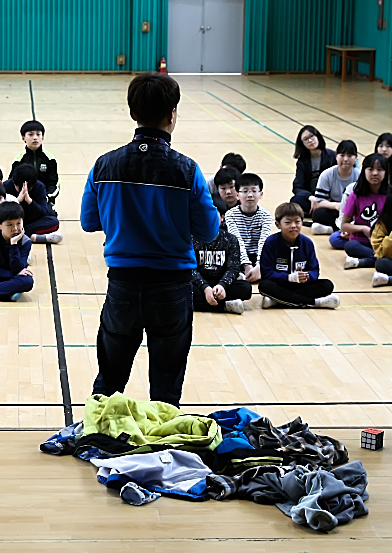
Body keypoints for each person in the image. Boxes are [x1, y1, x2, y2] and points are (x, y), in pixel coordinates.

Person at [80, 72, 219, 407]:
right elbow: (209, 231)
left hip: (123, 285)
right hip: (172, 287)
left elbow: (89, 222)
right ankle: (162, 454)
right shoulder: (186, 170)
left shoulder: (104, 166)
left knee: (109, 382)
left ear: (132, 113)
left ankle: (100, 443)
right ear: (172, 114)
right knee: (166, 389)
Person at [258, 202, 339, 309]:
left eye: (297, 222)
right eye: (287, 222)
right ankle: (315, 303)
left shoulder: (307, 243)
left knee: (327, 285)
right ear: (278, 224)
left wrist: (306, 277)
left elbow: (314, 270)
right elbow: (266, 273)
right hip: (280, 284)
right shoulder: (271, 242)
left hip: (301, 286)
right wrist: (289, 278)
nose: (293, 226)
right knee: (264, 286)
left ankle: (279, 301)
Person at [341, 154, 390, 270]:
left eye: (380, 169)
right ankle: (380, 258)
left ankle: (364, 261)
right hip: (362, 241)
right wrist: (363, 229)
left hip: (384, 241)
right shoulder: (356, 195)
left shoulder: (391, 194)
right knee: (350, 246)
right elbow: (344, 225)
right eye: (370, 169)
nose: (375, 173)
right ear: (364, 171)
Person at [192, 228, 252, 315]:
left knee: (246, 289)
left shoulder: (231, 239)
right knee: (182, 290)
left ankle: (202, 303)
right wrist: (205, 287)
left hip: (221, 283)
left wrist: (223, 285)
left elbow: (233, 268)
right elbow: (191, 269)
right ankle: (225, 306)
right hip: (199, 284)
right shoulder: (193, 238)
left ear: (222, 218)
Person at [224, 172, 270, 283]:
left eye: (254, 191)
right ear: (237, 195)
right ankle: (242, 273)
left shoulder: (265, 215)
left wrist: (259, 265)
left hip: (258, 256)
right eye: (245, 191)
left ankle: (255, 273)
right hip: (238, 255)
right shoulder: (230, 214)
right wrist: (246, 265)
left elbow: (264, 241)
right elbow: (237, 240)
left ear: (261, 194)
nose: (250, 195)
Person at [4, 163, 63, 243]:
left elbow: (44, 212)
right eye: (19, 187)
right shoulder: (6, 186)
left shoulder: (39, 187)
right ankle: (31, 237)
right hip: (12, 222)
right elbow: (2, 213)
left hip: (30, 222)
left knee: (54, 221)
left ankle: (20, 235)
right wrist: (17, 201)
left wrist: (30, 201)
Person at [310, 139, 358, 235]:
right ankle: (347, 229)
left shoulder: (360, 175)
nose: (345, 159)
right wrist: (337, 206)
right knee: (318, 214)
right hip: (334, 210)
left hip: (353, 211)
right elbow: (318, 202)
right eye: (342, 155)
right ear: (336, 156)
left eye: (350, 156)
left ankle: (331, 229)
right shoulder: (327, 174)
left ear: (356, 158)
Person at [291, 125, 336, 216]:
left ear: (317, 136)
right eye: (306, 139)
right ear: (302, 144)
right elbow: (298, 186)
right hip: (312, 198)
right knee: (294, 202)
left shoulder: (333, 156)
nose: (310, 140)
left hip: (330, 198)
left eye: (311, 136)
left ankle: (319, 211)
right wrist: (310, 197)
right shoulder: (302, 161)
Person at [12, 120, 59, 205]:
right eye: (30, 134)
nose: (35, 138)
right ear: (23, 138)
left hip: (44, 200)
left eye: (38, 134)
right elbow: (12, 182)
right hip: (23, 199)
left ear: (43, 137)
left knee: (51, 218)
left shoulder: (50, 159)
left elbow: (54, 183)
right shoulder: (18, 160)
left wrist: (47, 197)